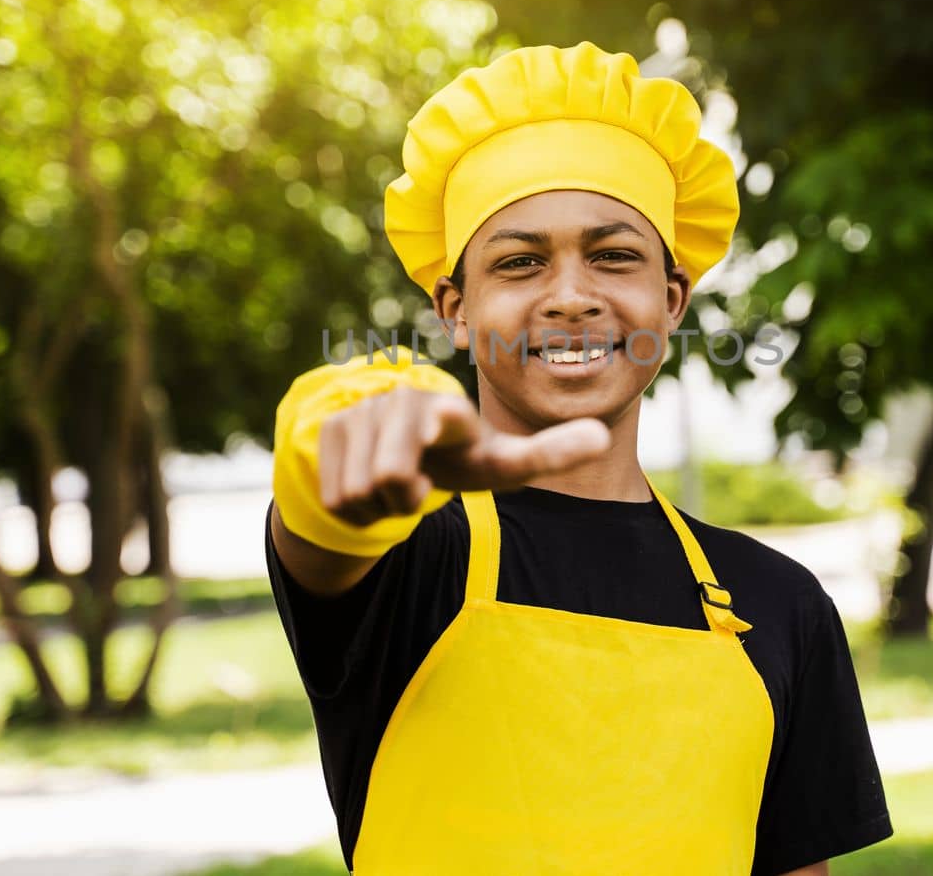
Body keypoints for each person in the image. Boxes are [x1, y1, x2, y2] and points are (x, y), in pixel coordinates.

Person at [265, 42, 893, 874]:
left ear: (669, 302)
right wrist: (342, 466)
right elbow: (323, 526)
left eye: (613, 254)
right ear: (455, 308)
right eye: (520, 262)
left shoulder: (779, 605)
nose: (569, 293)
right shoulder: (408, 558)